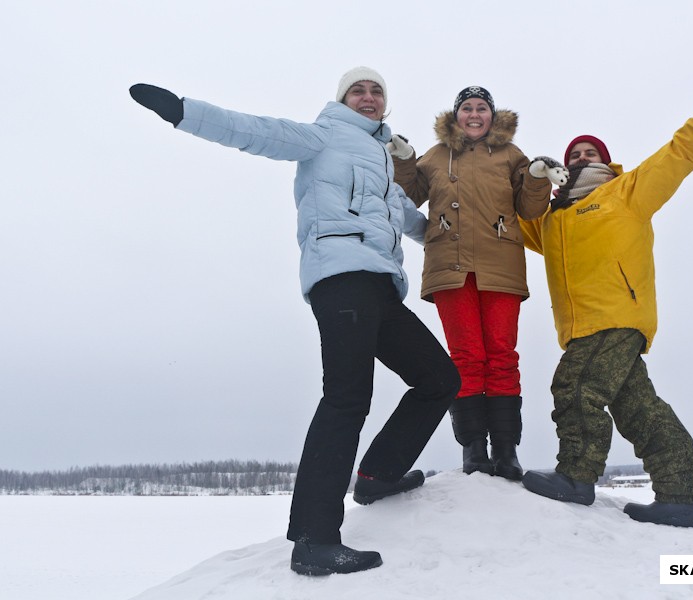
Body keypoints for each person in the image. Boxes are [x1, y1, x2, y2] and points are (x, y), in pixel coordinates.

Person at [129, 66, 461, 575]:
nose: (368, 97)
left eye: (376, 92)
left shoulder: (382, 165)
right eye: (359, 90)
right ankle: (313, 538)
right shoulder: (323, 135)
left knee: (440, 379)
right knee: (348, 398)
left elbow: (421, 226)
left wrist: (481, 234)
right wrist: (183, 111)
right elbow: (255, 131)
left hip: (380, 285)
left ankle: (378, 475)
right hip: (339, 276)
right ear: (343, 99)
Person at [518, 82, 693, 528]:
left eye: (589, 153)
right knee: (638, 406)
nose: (580, 158)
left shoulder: (625, 193)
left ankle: (577, 476)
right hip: (581, 326)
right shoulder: (552, 221)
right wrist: (527, 180)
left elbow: (673, 158)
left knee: (575, 387)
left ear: (604, 160)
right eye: (574, 154)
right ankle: (677, 497)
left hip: (615, 315)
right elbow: (509, 221)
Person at [387, 86, 566, 480]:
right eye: (467, 108)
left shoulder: (511, 155)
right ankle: (473, 448)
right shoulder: (434, 157)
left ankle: (505, 450)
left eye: (481, 108)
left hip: (500, 266)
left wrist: (536, 177)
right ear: (456, 115)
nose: (474, 114)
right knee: (466, 356)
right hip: (449, 270)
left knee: (501, 354)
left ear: (492, 115)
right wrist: (403, 160)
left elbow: (530, 208)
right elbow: (408, 195)